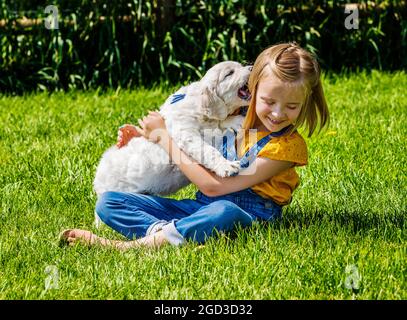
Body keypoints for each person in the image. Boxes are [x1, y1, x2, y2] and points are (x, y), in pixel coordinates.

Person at [59, 42, 329, 250]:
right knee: (109, 202)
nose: (278, 113)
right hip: (198, 209)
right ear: (252, 89)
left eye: (292, 106)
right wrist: (145, 136)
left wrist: (165, 139)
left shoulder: (285, 147)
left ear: (305, 103)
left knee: (224, 211)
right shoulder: (232, 121)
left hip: (246, 216)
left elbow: (214, 187)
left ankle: (127, 247)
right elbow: (189, 135)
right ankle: (168, 232)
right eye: (269, 101)